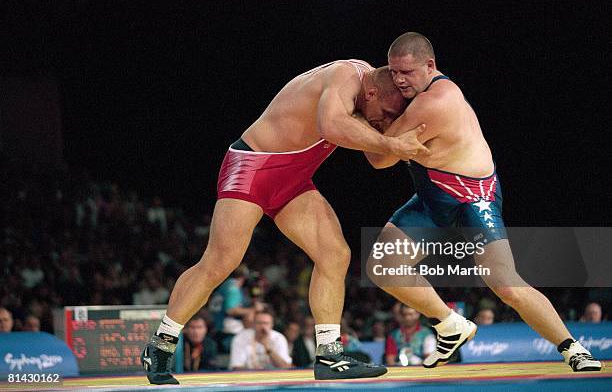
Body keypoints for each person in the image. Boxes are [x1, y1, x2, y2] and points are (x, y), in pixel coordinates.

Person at [141, 59, 430, 384]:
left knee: (335, 254)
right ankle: (161, 345)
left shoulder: (368, 97)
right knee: (220, 262)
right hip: (252, 167)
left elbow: (378, 160)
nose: (384, 121)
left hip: (293, 179)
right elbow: (333, 126)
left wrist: (410, 142)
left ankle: (329, 355)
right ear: (373, 91)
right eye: (386, 114)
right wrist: (390, 142)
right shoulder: (344, 76)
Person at [365, 32, 601, 372]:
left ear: (430, 66)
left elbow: (379, 159)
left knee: (506, 284)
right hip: (433, 197)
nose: (399, 79)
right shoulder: (414, 95)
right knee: (384, 267)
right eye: (394, 71)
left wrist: (363, 118)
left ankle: (572, 348)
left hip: (472, 198)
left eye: (408, 72)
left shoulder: (435, 102)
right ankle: (451, 324)